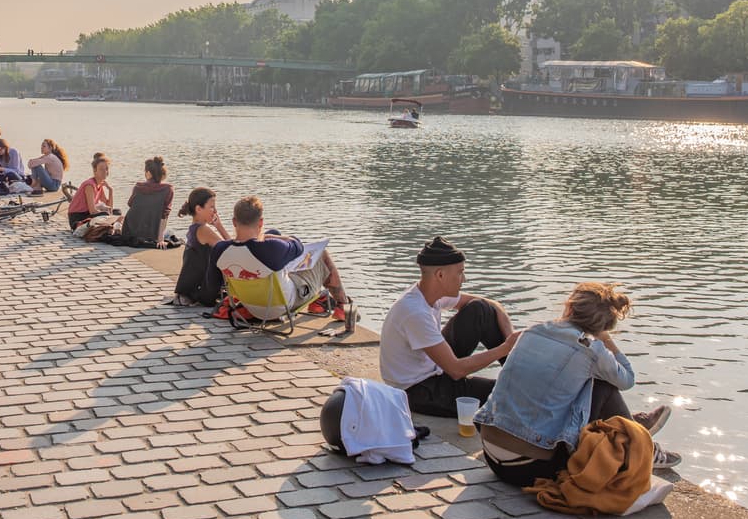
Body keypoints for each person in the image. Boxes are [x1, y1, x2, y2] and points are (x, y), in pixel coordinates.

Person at [474, 282, 680, 485]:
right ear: (602, 326)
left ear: (569, 307)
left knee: (576, 380)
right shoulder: (592, 350)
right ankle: (640, 447)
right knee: (602, 385)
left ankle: (631, 429)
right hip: (529, 468)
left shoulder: (531, 331)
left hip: (491, 454)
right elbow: (628, 379)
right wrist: (606, 340)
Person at [379, 236, 518, 418]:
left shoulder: (429, 293)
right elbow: (456, 370)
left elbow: (492, 304)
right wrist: (505, 348)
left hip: (436, 367)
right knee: (509, 394)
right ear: (440, 275)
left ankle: (520, 373)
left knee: (480, 309)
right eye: (460, 273)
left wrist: (510, 341)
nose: (464, 279)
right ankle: (523, 388)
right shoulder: (415, 312)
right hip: (419, 390)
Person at [210, 195, 350, 314]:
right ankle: (343, 306)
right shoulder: (271, 248)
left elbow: (214, 283)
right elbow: (298, 245)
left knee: (282, 265)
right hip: (280, 305)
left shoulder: (219, 249)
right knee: (322, 255)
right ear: (260, 222)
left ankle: (321, 302)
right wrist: (272, 236)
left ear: (234, 222)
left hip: (249, 305)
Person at [172, 187, 231, 306]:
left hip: (191, 289)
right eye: (212, 207)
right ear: (198, 209)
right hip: (203, 291)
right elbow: (232, 249)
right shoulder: (203, 230)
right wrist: (219, 226)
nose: (215, 211)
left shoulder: (194, 228)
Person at [121, 156, 174, 248]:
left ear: (148, 173)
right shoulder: (168, 189)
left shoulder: (138, 187)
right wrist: (160, 238)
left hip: (130, 231)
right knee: (170, 232)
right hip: (152, 232)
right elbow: (164, 215)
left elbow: (130, 204)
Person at [67, 152, 114, 229]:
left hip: (87, 215)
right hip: (77, 218)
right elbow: (92, 211)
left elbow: (110, 208)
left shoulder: (100, 185)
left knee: (116, 211)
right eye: (101, 169)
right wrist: (107, 214)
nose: (105, 171)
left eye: (106, 169)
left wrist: (110, 191)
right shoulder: (90, 185)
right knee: (105, 214)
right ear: (95, 170)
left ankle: (111, 227)